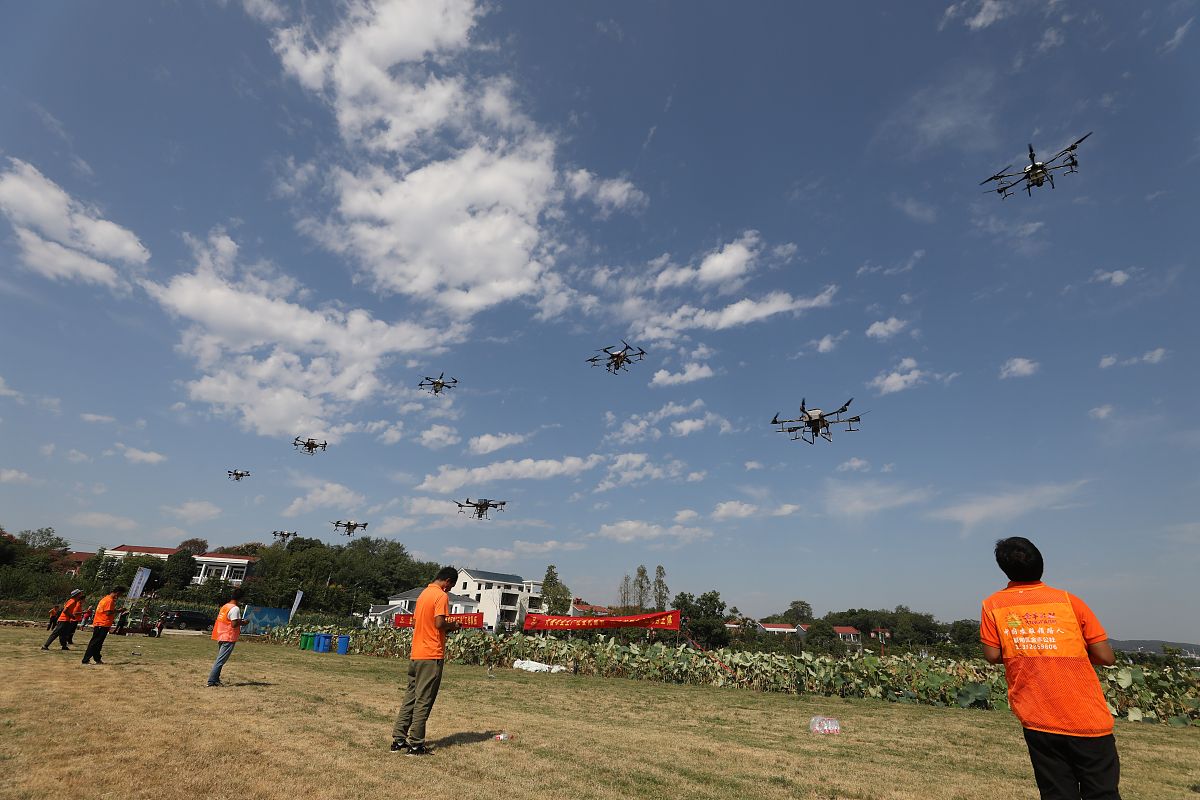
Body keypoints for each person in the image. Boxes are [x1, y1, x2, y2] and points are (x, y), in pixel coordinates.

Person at [980, 537, 1120, 800]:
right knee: (1102, 793)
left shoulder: (993, 605)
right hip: (1087, 718)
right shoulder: (1069, 601)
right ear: (1041, 564)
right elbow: (1105, 656)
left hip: (1037, 716)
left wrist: (1027, 648)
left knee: (1056, 792)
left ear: (1004, 569)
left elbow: (992, 654)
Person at [390, 566, 461, 756]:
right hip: (431, 654)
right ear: (447, 581)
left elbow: (414, 622)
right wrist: (453, 625)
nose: (449, 590)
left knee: (410, 697)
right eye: (451, 586)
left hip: (416, 653)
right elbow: (439, 623)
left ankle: (398, 740)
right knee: (424, 699)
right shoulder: (441, 596)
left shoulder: (423, 595)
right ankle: (416, 744)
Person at [207, 587, 248, 687]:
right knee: (220, 660)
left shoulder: (225, 606)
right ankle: (212, 681)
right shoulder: (235, 608)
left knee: (221, 659)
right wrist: (243, 622)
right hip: (228, 637)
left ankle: (216, 679)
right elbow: (234, 624)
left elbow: (228, 620)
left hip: (221, 634)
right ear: (241, 598)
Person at [82, 586, 126, 665]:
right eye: (121, 594)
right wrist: (119, 610)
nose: (120, 596)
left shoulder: (105, 599)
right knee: (95, 642)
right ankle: (85, 659)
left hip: (100, 623)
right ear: (118, 592)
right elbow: (108, 612)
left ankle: (97, 659)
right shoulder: (109, 601)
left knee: (98, 643)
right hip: (102, 624)